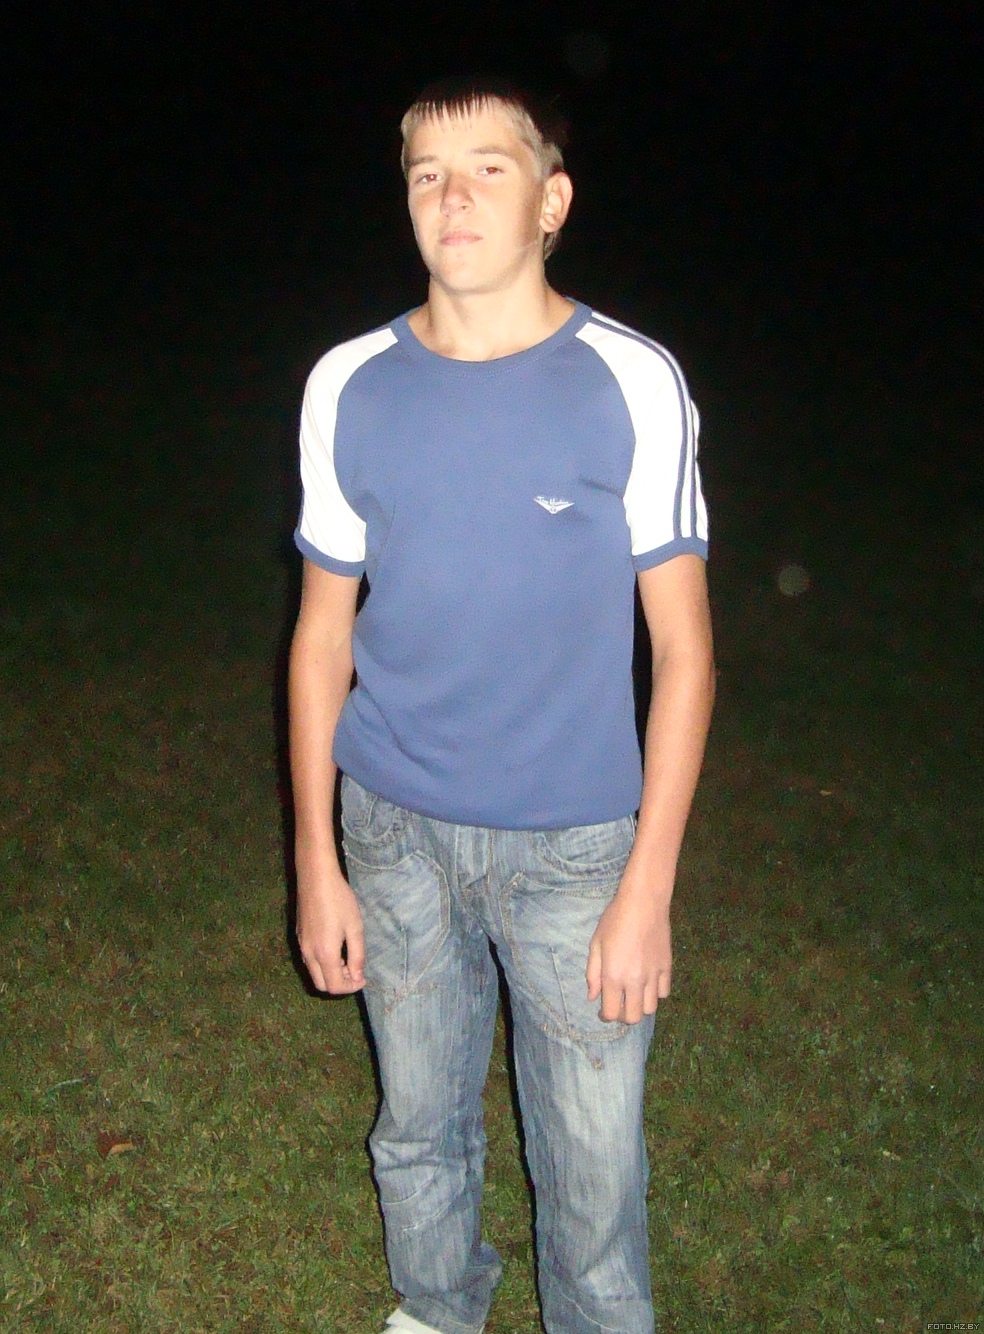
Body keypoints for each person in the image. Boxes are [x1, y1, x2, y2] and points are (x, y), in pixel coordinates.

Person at [288, 75, 714, 1334]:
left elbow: (684, 653)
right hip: (391, 826)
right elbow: (320, 636)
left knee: (591, 1170)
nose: (454, 196)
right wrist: (315, 857)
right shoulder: (347, 382)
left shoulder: (631, 378)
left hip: (575, 850)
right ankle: (436, 1306)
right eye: (427, 173)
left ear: (551, 201)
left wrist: (648, 886)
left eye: (488, 167)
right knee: (415, 1126)